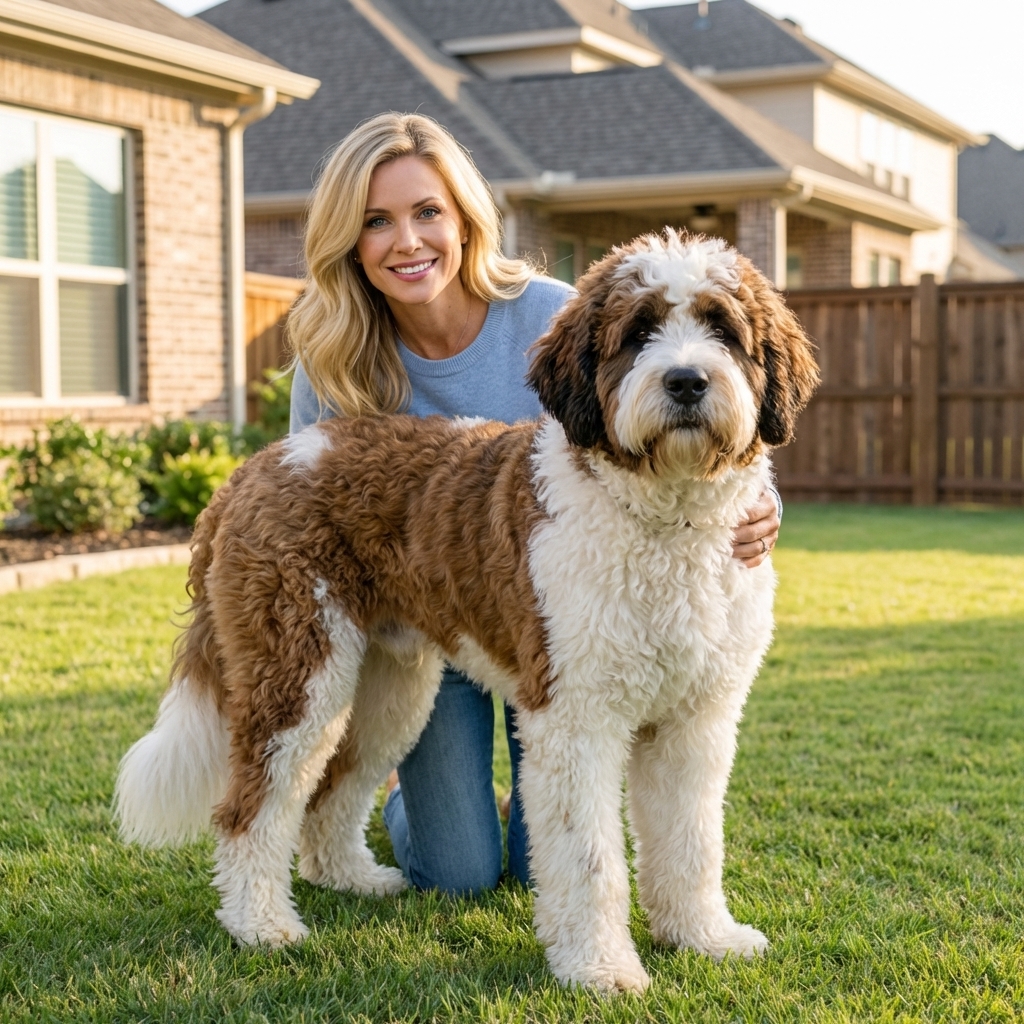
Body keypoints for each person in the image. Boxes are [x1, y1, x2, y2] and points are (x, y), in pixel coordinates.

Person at [287, 112, 781, 896]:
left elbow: (742, 422)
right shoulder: (331, 351)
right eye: (376, 222)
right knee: (460, 874)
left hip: (551, 596)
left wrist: (763, 504)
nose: (407, 241)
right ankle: (410, 798)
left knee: (531, 858)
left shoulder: (549, 306)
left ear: (463, 219)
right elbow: (311, 508)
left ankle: (671, 895)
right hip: (435, 604)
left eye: (427, 213)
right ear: (350, 241)